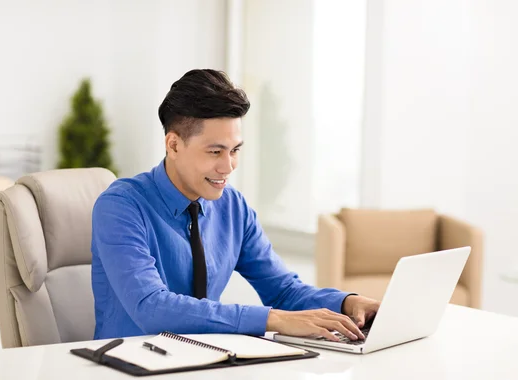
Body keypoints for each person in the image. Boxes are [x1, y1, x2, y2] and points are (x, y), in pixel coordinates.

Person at [91, 69, 380, 342]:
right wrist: (273, 319)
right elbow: (151, 307)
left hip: (204, 366)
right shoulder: (121, 206)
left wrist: (347, 302)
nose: (227, 166)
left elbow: (282, 290)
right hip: (128, 370)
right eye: (215, 151)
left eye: (235, 151)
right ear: (174, 145)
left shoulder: (233, 207)